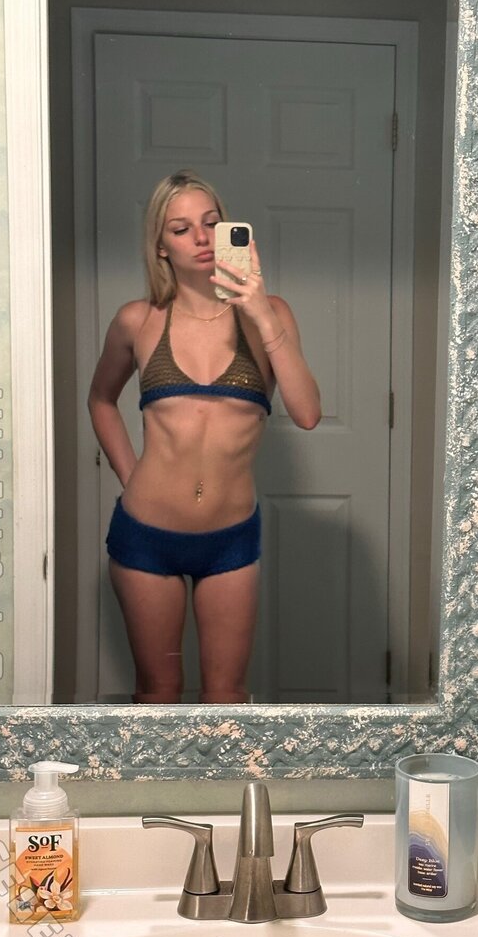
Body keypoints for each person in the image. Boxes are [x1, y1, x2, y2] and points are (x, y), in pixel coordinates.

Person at [88, 170, 321, 704]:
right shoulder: (137, 321)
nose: (200, 237)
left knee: (227, 699)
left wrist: (260, 312)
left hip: (230, 540)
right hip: (145, 535)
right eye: (180, 228)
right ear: (160, 246)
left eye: (211, 223)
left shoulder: (272, 314)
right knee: (158, 694)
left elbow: (308, 413)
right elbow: (100, 400)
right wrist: (130, 478)